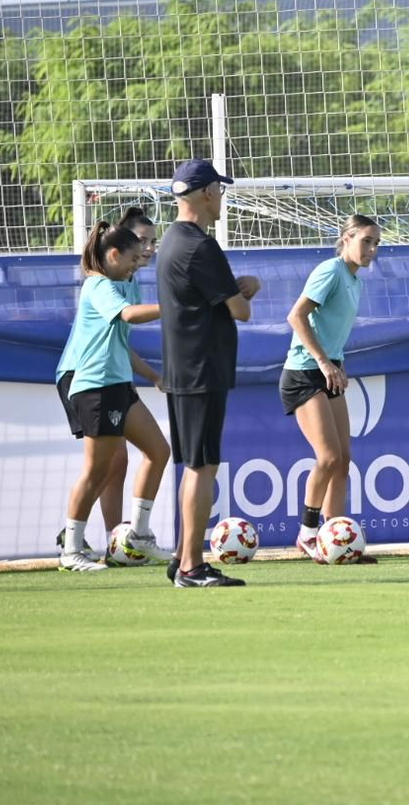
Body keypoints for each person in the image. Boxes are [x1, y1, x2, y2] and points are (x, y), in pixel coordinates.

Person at [158, 158, 260, 587]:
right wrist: (245, 289)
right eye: (219, 189)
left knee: (196, 465)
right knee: (202, 467)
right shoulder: (199, 245)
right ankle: (190, 567)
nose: (223, 197)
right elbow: (241, 311)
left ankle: (185, 556)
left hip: (186, 368)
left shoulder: (172, 240)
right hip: (201, 369)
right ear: (204, 193)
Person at [54, 220, 171, 572]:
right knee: (98, 469)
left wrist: (151, 375)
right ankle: (72, 550)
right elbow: (129, 316)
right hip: (96, 386)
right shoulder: (98, 285)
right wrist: (176, 305)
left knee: (158, 450)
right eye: (134, 256)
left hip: (118, 384)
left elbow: (120, 337)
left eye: (145, 252)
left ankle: (136, 537)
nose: (140, 261)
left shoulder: (123, 282)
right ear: (114, 254)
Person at [284, 215, 381, 564]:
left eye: (376, 243)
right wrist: (324, 363)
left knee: (342, 461)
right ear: (347, 238)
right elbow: (296, 316)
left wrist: (336, 365)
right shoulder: (330, 271)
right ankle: (309, 535)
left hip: (329, 374)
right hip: (303, 375)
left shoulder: (355, 281)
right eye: (365, 241)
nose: (371, 249)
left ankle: (336, 540)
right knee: (327, 457)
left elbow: (331, 332)